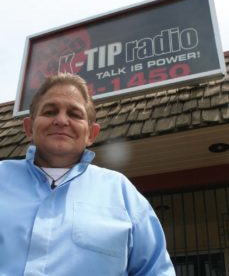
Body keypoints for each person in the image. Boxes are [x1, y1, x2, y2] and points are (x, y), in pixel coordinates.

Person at [0, 73, 175, 275]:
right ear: (29, 128)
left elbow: (155, 270)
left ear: (91, 134)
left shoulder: (120, 191)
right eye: (50, 111)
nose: (61, 120)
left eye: (74, 114)